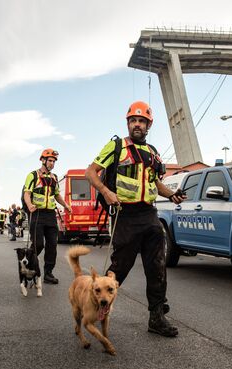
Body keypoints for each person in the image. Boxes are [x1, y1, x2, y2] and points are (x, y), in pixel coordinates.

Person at [85, 101, 186, 337]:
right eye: (133, 121)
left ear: (148, 125)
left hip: (149, 215)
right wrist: (106, 192)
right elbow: (90, 172)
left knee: (157, 268)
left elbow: (154, 183)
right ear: (128, 123)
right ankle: (96, 301)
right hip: (125, 215)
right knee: (120, 267)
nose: (137, 124)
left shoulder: (152, 151)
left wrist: (171, 194)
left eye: (141, 121)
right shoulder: (116, 146)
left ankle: (157, 316)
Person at [23, 148, 72, 284]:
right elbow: (27, 193)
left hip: (50, 215)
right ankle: (28, 266)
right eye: (50, 160)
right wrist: (29, 205)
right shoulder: (33, 176)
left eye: (54, 161)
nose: (52, 163)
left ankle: (48, 273)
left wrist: (66, 205)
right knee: (39, 244)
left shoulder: (54, 178)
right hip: (37, 213)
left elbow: (56, 195)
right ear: (43, 160)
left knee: (52, 245)